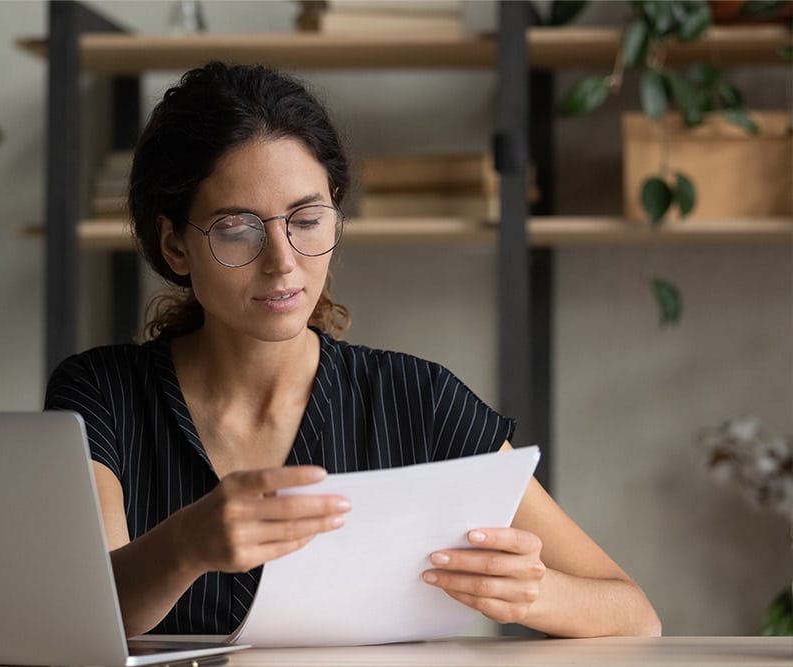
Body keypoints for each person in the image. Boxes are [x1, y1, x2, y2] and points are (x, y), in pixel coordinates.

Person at [45, 61, 661, 639]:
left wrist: (534, 593)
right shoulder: (100, 394)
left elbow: (635, 615)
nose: (283, 263)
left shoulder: (416, 399)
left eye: (307, 220)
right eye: (237, 229)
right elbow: (86, 620)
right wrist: (185, 546)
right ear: (175, 245)